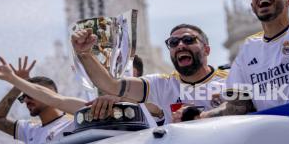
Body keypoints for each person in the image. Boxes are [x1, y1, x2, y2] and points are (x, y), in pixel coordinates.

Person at [71, 23, 228, 123]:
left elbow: (246, 108)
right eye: (173, 43)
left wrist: (201, 117)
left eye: (188, 40)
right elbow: (111, 85)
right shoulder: (162, 84)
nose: (180, 45)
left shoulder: (231, 80)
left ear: (206, 50)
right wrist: (85, 54)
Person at [0, 57, 77, 144]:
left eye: (30, 95)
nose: (26, 100)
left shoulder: (75, 120)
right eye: (23, 97)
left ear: (50, 93)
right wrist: (18, 84)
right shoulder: (30, 130)